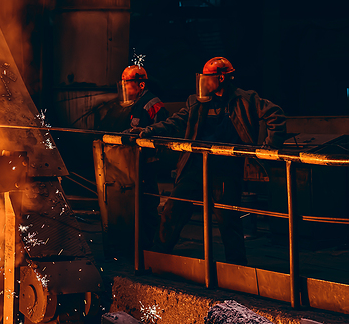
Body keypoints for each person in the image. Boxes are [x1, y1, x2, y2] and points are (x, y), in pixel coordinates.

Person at [140, 57, 286, 264]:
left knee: (227, 221)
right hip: (194, 167)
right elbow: (175, 122)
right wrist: (149, 130)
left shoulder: (245, 99)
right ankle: (157, 259)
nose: (204, 82)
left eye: (207, 78)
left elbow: (275, 114)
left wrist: (270, 146)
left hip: (225, 170)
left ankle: (236, 267)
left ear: (221, 77)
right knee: (172, 213)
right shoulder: (196, 102)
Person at [119, 65, 169, 250]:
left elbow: (163, 133)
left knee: (147, 206)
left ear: (140, 84)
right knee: (138, 205)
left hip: (148, 164)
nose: (124, 88)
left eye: (127, 84)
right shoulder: (137, 104)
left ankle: (150, 248)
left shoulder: (152, 104)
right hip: (136, 164)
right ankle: (141, 245)